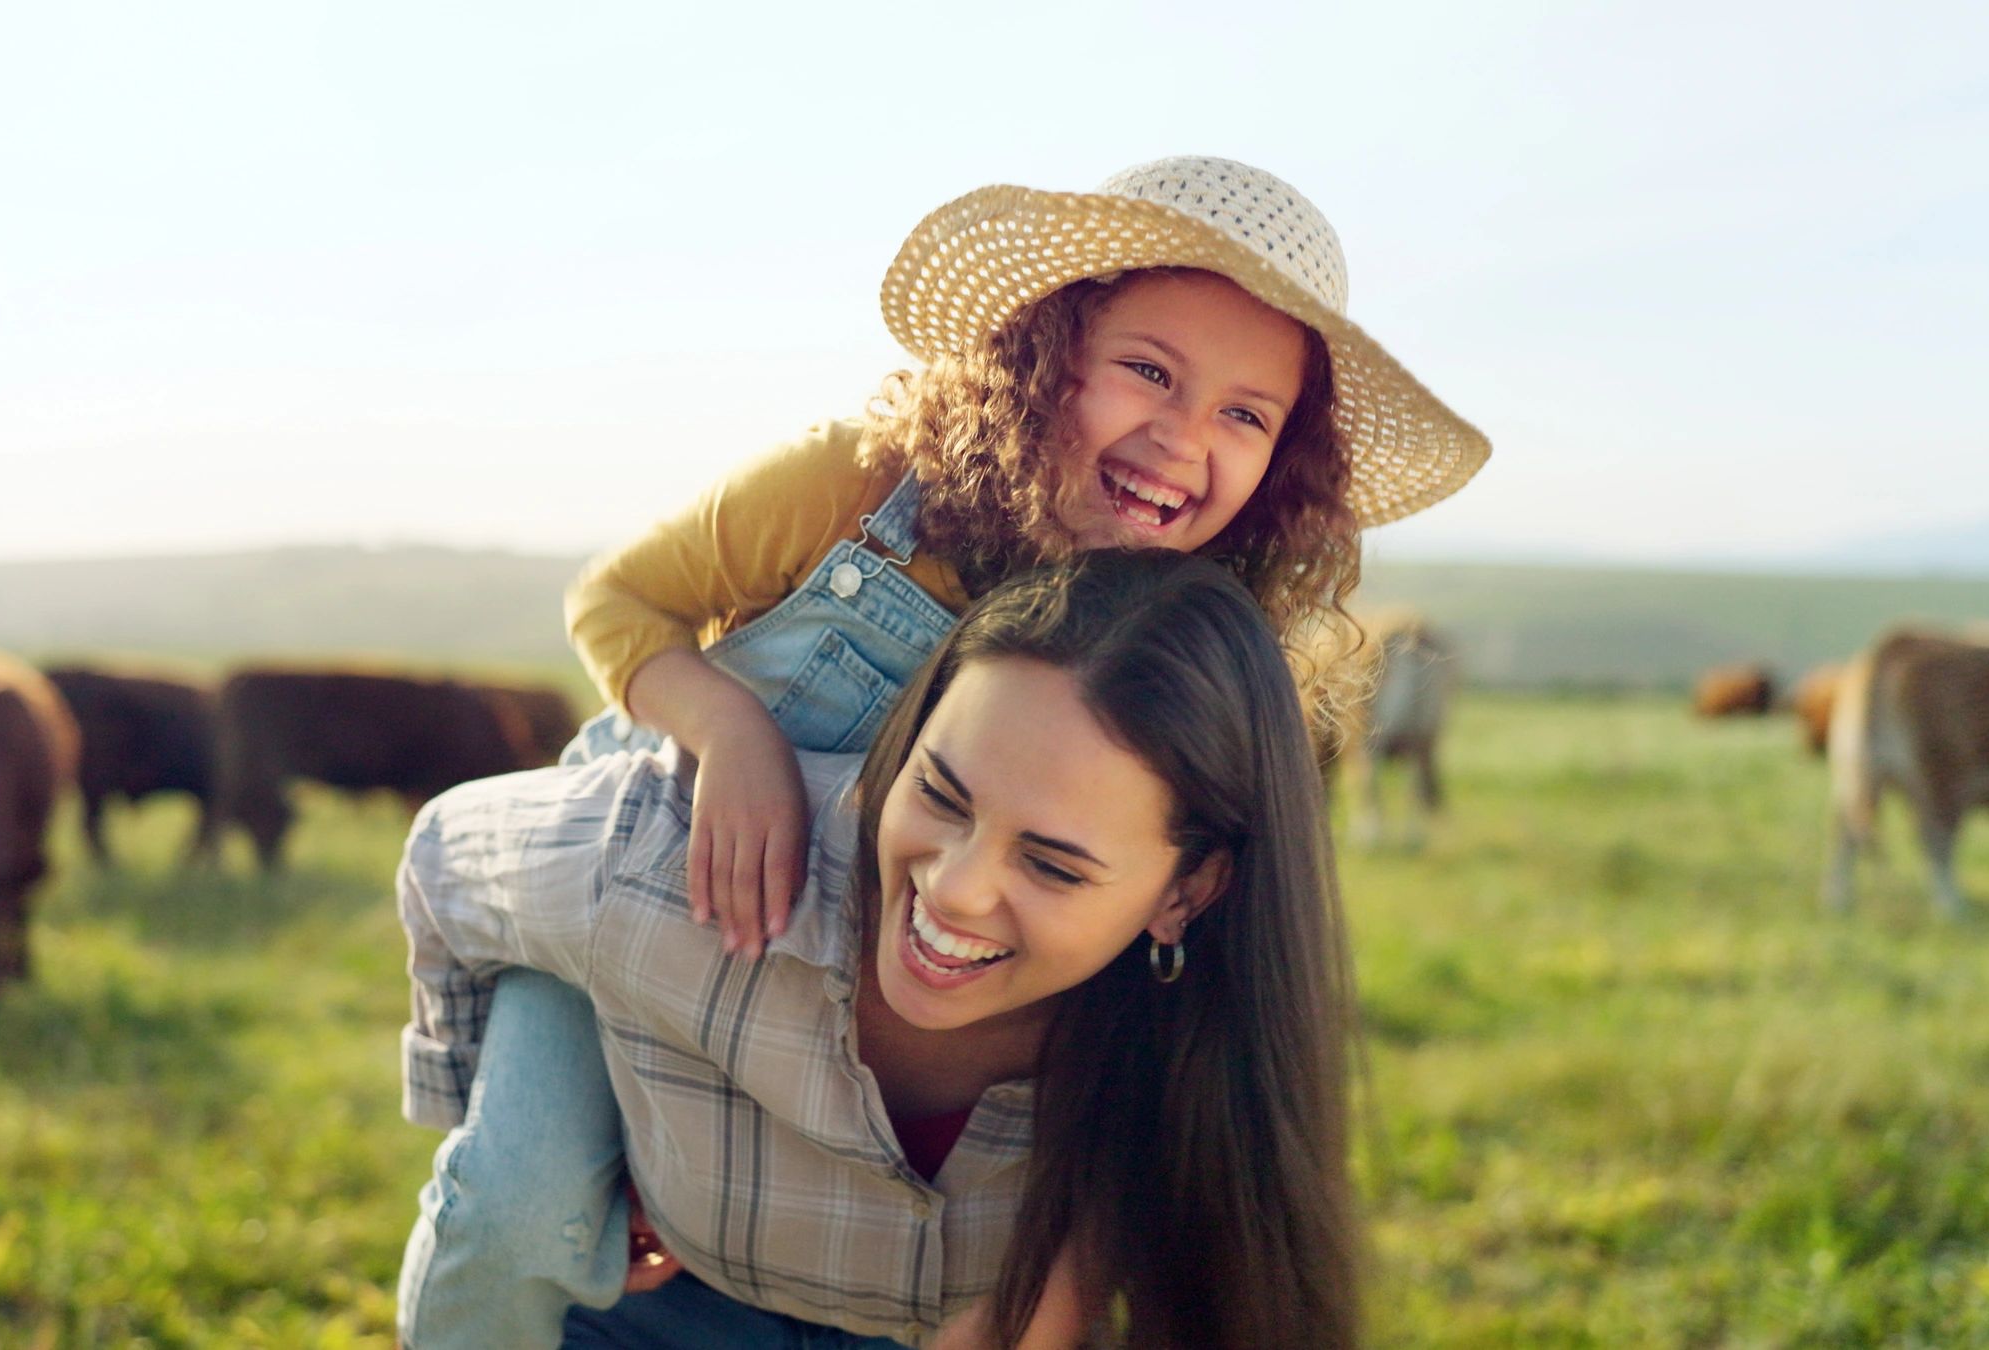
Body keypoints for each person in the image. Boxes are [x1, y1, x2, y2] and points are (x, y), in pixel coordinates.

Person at [398, 154, 1488, 1346]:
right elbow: (618, 603)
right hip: (650, 883)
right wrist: (730, 732)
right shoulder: (856, 485)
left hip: (856, 997)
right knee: (521, 1212)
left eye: (1242, 414)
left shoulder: (1207, 657)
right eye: (1146, 372)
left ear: (1280, 466)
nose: (1181, 438)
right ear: (1044, 353)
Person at [402, 551, 1361, 1348]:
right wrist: (529, 1140)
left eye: (1054, 866)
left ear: (1186, 893)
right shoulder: (658, 867)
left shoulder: (1192, 1048)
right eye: (940, 795)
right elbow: (444, 858)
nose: (952, 888)